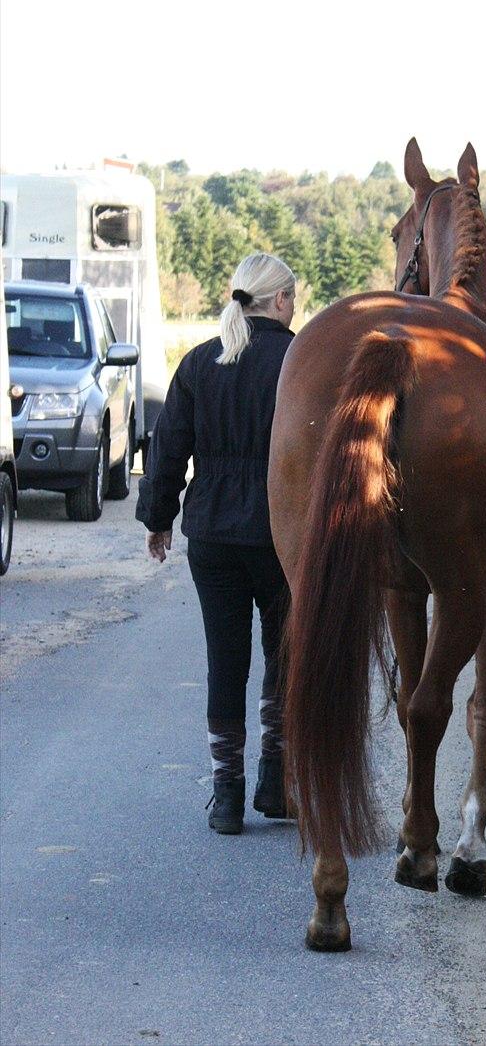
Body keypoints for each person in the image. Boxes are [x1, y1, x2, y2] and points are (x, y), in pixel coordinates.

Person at [136, 252, 296, 834]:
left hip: (211, 535)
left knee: (224, 661)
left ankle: (225, 797)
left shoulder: (199, 362)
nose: (295, 305)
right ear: (279, 300)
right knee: (286, 656)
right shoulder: (299, 362)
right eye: (293, 296)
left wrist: (158, 520)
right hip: (280, 536)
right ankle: (275, 784)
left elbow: (167, 449)